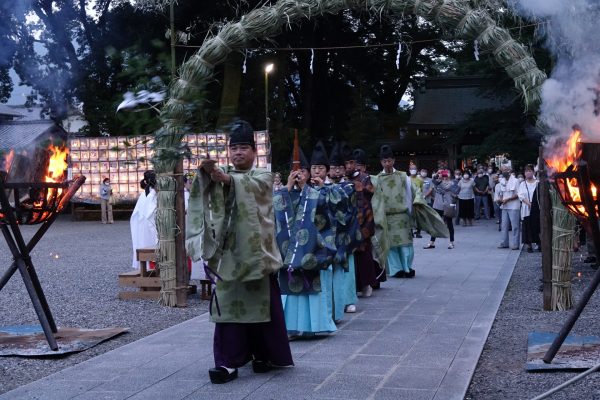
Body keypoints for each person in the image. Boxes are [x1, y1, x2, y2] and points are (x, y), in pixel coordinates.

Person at [186, 120, 293, 384]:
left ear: (255, 152)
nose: (238, 153)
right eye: (234, 148)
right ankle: (227, 363)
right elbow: (214, 187)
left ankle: (263, 355)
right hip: (230, 254)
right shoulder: (224, 174)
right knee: (228, 309)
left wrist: (226, 180)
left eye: (244, 147)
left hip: (258, 253)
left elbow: (253, 189)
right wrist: (207, 175)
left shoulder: (264, 176)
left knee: (262, 309)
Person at [274, 142, 337, 337]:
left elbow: (326, 217)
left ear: (308, 173)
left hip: (310, 249)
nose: (298, 174)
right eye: (295, 170)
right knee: (289, 289)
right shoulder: (281, 195)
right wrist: (287, 188)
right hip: (288, 253)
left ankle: (313, 326)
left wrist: (306, 191)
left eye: (302, 170)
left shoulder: (315, 194)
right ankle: (290, 327)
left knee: (310, 283)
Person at [372, 145, 418, 278]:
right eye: (384, 161)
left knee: (406, 243)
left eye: (389, 161)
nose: (387, 163)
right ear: (381, 162)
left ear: (394, 161)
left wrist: (411, 212)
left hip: (402, 214)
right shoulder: (377, 179)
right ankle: (396, 269)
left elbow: (411, 194)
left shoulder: (403, 176)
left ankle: (407, 267)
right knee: (391, 245)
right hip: (386, 216)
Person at [345, 147, 385, 294]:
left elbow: (371, 192)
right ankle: (354, 286)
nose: (349, 166)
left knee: (364, 253)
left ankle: (367, 283)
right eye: (347, 164)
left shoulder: (365, 177)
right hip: (348, 220)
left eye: (352, 163)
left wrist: (361, 188)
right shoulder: (343, 179)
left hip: (364, 218)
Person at [423, 170, 458, 249]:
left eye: (447, 173)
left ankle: (451, 242)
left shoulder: (453, 183)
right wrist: (436, 174)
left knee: (449, 224)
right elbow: (433, 181)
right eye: (444, 173)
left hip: (447, 206)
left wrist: (440, 180)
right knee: (435, 224)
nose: (445, 175)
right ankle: (432, 243)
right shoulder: (438, 181)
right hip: (438, 205)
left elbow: (445, 188)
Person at [130, 171, 157, 269]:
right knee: (151, 246)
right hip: (149, 227)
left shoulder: (146, 193)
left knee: (144, 244)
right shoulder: (151, 195)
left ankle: (148, 268)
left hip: (142, 226)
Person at [498, 162, 521, 250]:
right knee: (504, 226)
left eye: (505, 170)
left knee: (515, 226)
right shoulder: (502, 181)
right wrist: (500, 199)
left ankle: (515, 244)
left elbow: (518, 194)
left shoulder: (516, 181)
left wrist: (508, 199)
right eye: (502, 170)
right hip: (504, 206)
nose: (504, 171)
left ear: (509, 170)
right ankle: (504, 243)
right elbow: (501, 193)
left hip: (514, 206)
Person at [518, 165, 540, 252]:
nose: (528, 173)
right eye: (526, 171)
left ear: (533, 172)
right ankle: (529, 245)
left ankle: (539, 243)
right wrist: (529, 203)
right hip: (526, 208)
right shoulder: (522, 184)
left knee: (537, 226)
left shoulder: (538, 183)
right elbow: (521, 195)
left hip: (536, 208)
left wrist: (534, 204)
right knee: (527, 226)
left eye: (530, 171)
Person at [409, 163, 424, 238]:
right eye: (411, 169)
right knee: (410, 216)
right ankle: (411, 231)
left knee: (419, 216)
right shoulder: (407, 179)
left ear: (417, 170)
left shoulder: (420, 180)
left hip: (418, 200)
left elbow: (421, 190)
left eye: (414, 169)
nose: (413, 170)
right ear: (409, 170)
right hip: (409, 200)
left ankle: (418, 232)